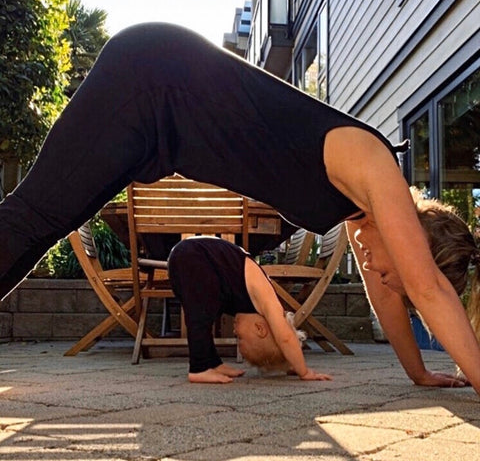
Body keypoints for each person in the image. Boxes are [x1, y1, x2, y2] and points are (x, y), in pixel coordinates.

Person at [0, 23, 478, 395]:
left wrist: (418, 374)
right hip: (151, 78)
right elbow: (426, 286)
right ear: (417, 241)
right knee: (35, 217)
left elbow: (393, 300)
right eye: (399, 272)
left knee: (43, 227)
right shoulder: (374, 167)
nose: (382, 276)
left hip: (159, 127)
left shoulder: (360, 212)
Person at [167, 235, 331, 384]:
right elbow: (286, 338)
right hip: (194, 256)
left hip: (192, 260)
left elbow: (283, 342)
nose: (234, 331)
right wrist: (304, 371)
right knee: (200, 317)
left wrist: (289, 364)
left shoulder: (247, 305)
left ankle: (213, 363)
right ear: (260, 329)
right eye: (240, 337)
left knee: (206, 314)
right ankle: (199, 367)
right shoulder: (268, 303)